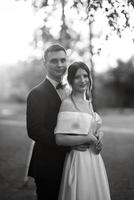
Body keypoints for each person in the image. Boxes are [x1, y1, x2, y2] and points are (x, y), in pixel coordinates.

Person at [54, 61, 111, 200]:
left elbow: (91, 132)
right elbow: (59, 138)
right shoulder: (67, 103)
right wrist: (88, 138)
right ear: (70, 80)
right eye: (77, 77)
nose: (82, 80)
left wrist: (97, 143)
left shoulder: (88, 103)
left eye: (85, 76)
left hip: (95, 160)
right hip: (78, 161)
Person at [26, 44, 71, 200]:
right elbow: (34, 130)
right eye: (54, 61)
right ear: (45, 63)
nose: (59, 65)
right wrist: (66, 143)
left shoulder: (72, 91)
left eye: (63, 60)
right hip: (48, 165)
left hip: (72, 162)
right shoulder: (36, 93)